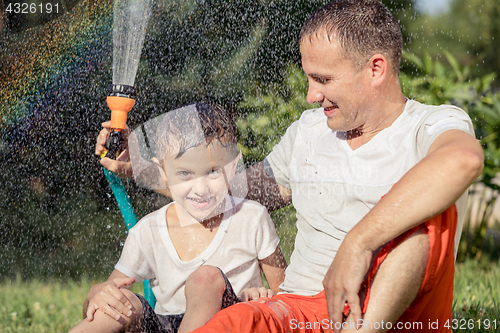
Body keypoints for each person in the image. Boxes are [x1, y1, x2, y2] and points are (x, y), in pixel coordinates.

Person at [96, 1, 484, 332]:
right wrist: (139, 168)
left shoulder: (428, 125)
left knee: (428, 217)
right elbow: (230, 195)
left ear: (376, 69)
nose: (312, 95)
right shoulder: (310, 130)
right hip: (294, 312)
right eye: (308, 79)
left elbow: (462, 160)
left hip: (386, 314)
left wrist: (358, 241)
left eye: (323, 79)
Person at [73, 102, 286, 333]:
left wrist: (262, 300)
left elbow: (287, 298)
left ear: (233, 167)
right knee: (121, 301)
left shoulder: (251, 218)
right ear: (163, 172)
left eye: (213, 171)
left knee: (205, 278)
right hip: (167, 326)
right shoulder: (148, 231)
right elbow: (103, 300)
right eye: (185, 173)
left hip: (231, 322)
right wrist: (96, 294)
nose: (201, 188)